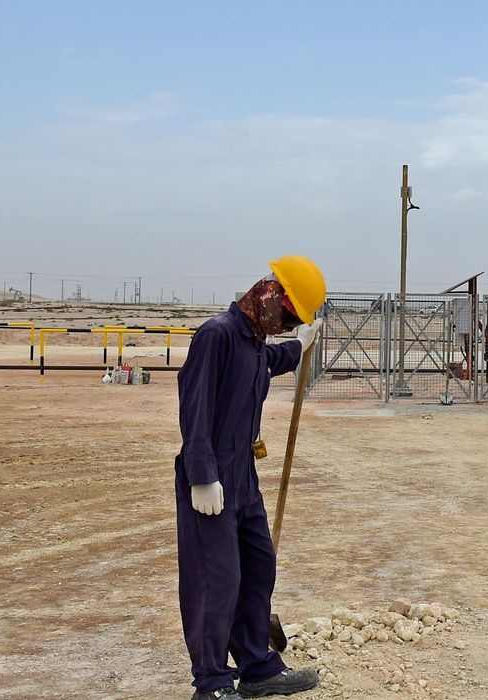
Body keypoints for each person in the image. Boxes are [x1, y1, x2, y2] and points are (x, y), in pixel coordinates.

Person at [175, 255, 326, 699]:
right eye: (290, 316)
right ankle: (212, 683)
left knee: (258, 569)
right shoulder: (217, 335)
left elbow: (269, 361)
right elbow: (195, 406)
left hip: (243, 475)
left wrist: (300, 345)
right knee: (215, 581)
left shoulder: (255, 341)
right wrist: (202, 474)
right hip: (211, 477)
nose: (287, 324)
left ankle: (257, 667)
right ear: (271, 296)